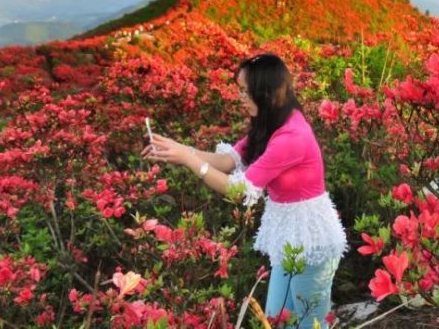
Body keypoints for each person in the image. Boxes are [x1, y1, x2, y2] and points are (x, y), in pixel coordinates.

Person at [143, 53, 347, 328]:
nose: (239, 96)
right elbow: (229, 162)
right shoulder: (271, 123)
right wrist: (179, 150)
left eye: (244, 91)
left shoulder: (292, 136)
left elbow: (239, 190)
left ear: (265, 92)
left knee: (308, 323)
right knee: (276, 320)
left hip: (312, 244)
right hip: (290, 240)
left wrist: (190, 160)